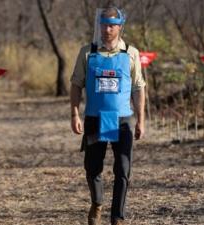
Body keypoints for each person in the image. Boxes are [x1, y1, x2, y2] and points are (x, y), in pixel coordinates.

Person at [70, 6, 145, 225]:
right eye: (104, 24)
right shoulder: (88, 52)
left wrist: (141, 119)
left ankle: (117, 217)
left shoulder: (131, 53)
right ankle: (97, 202)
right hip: (95, 118)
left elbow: (139, 87)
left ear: (120, 26)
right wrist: (75, 113)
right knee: (93, 167)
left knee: (123, 169)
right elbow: (76, 84)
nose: (107, 29)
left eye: (112, 25)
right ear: (99, 25)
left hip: (122, 120)